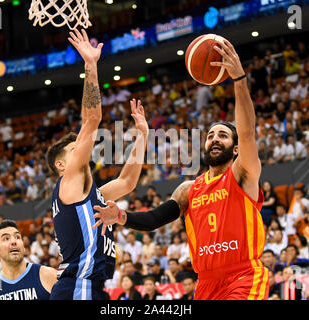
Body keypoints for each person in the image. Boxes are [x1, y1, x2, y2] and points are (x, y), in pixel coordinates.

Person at [93, 39, 269, 300]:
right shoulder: (189, 189)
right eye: (210, 135)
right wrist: (120, 216)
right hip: (206, 284)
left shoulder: (242, 174)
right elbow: (154, 219)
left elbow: (246, 132)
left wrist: (239, 80)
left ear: (235, 149)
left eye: (222, 135)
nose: (215, 139)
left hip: (242, 276)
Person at [45, 29, 149, 300]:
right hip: (78, 287)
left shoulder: (89, 193)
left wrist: (143, 136)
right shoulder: (68, 184)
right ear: (60, 164)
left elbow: (127, 182)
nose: (81, 149)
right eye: (73, 148)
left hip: (88, 287)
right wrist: (90, 65)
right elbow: (91, 120)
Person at [0, 220, 57, 300]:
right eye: (6, 238)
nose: (13, 241)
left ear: (23, 247)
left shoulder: (48, 275)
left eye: (17, 237)